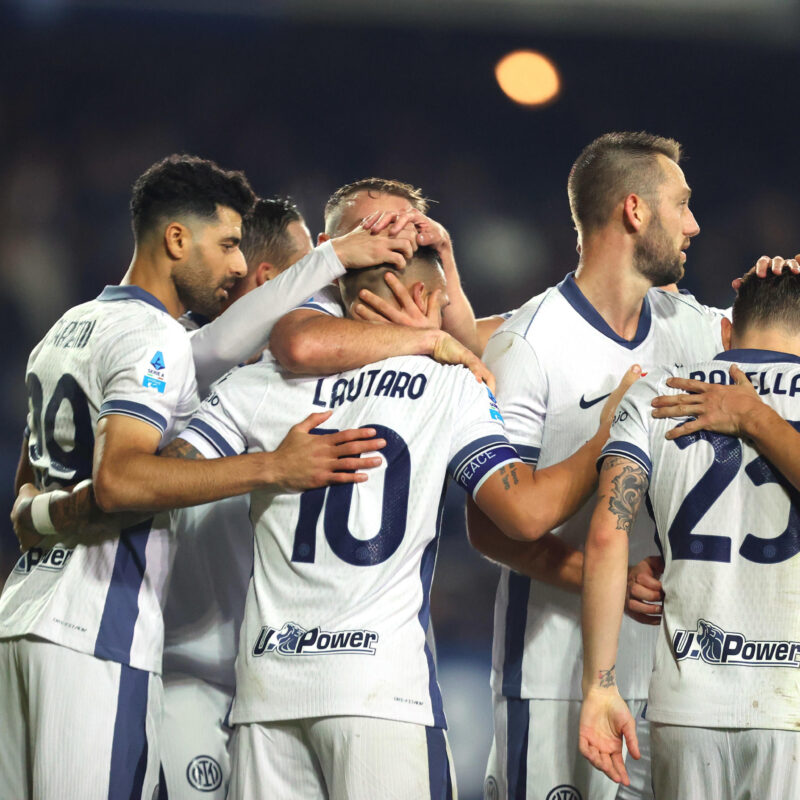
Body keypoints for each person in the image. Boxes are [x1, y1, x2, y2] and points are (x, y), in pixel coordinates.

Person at [175, 246, 639, 800]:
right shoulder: (448, 382)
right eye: (443, 303)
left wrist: (269, 467)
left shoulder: (262, 382)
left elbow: (161, 477)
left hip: (269, 694)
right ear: (421, 298)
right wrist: (605, 435)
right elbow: (525, 514)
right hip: (382, 694)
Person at [0, 156, 384, 800]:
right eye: (228, 244)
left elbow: (24, 500)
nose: (238, 266)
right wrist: (273, 466)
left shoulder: (64, 330)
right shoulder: (155, 337)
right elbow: (121, 481)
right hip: (97, 629)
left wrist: (55, 514)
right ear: (177, 239)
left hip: (22, 620)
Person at [467, 131, 728, 800]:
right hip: (554, 680)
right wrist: (598, 575)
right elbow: (490, 526)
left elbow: (772, 334)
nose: (695, 225)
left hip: (672, 685)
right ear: (634, 211)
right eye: (683, 205)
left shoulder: (689, 325)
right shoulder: (531, 343)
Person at [579, 267, 800, 798]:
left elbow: (607, 537)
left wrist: (600, 685)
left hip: (686, 706)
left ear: (726, 333)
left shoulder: (658, 391)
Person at [158, 197, 315, 799]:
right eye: (314, 272)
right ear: (275, 282)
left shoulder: (311, 379)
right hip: (186, 674)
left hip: (279, 684)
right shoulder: (176, 359)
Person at [269, 177, 494, 379]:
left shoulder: (422, 288)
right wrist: (423, 339)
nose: (390, 236)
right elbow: (300, 347)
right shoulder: (318, 293)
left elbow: (469, 350)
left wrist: (443, 248)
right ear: (326, 244)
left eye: (402, 225)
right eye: (370, 227)